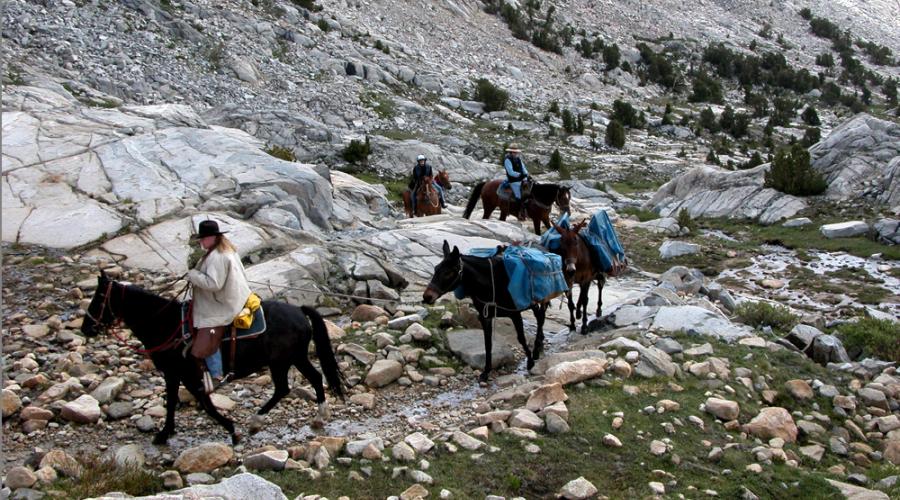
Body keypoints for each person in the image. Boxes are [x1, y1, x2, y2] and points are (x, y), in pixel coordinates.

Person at [187, 220, 251, 387]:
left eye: (203, 238)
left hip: (224, 303)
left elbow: (214, 284)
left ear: (213, 237)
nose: (201, 242)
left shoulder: (217, 256)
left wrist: (193, 274)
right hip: (234, 296)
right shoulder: (225, 250)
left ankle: (216, 375)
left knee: (207, 331)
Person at [503, 144, 530, 217]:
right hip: (513, 180)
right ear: (511, 152)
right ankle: (518, 212)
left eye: (516, 152)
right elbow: (510, 172)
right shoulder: (507, 160)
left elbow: (523, 168)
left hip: (521, 178)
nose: (515, 153)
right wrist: (520, 175)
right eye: (514, 152)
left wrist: (526, 175)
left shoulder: (518, 159)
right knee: (518, 195)